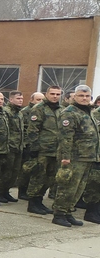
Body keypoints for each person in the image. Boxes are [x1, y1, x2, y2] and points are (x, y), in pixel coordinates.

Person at [51, 85, 100, 227]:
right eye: (81, 96)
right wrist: (66, 157)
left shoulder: (88, 112)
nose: (84, 98)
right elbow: (65, 137)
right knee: (68, 186)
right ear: (75, 97)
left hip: (88, 156)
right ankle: (59, 214)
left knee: (79, 188)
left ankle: (67, 212)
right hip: (74, 157)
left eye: (87, 96)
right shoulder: (70, 113)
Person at [24, 86, 63, 214]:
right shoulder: (38, 109)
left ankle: (39, 200)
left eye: (58, 94)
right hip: (42, 150)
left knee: (50, 178)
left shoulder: (61, 110)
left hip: (55, 150)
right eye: (52, 93)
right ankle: (33, 202)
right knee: (38, 176)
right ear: (47, 94)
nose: (55, 96)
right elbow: (33, 130)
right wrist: (34, 148)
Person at [0, 90, 26, 202]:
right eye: (18, 99)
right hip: (9, 146)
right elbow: (4, 130)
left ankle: (6, 192)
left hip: (18, 146)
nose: (20, 101)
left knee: (14, 173)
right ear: (11, 99)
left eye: (22, 99)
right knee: (6, 172)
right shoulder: (6, 111)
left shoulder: (19, 112)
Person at [17, 92, 46, 199]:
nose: (40, 102)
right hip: (27, 145)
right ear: (31, 100)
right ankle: (22, 191)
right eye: (38, 100)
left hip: (39, 145)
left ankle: (30, 191)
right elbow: (22, 129)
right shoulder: (25, 112)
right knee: (25, 170)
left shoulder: (43, 111)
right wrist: (25, 144)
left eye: (42, 100)